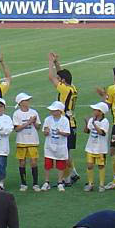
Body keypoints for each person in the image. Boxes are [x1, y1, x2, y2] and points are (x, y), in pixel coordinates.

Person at [47, 53, 81, 186]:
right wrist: (57, 63)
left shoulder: (65, 89)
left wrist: (50, 63)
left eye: (59, 78)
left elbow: (51, 77)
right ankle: (73, 173)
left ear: (63, 80)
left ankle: (67, 178)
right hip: (72, 121)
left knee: (63, 152)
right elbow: (62, 76)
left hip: (64, 122)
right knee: (67, 151)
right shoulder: (73, 88)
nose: (58, 80)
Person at [11, 92, 40, 191]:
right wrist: (29, 122)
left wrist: (34, 122)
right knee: (22, 162)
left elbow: (38, 127)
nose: (28, 102)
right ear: (21, 102)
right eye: (26, 100)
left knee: (33, 162)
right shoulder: (16, 114)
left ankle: (35, 184)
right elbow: (17, 128)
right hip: (21, 141)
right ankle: (23, 184)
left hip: (33, 141)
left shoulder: (34, 112)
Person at [40, 100, 71, 191]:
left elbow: (67, 133)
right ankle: (47, 182)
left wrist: (60, 132)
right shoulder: (48, 119)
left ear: (59, 111)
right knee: (47, 164)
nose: (52, 112)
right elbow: (45, 131)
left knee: (61, 164)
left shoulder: (65, 120)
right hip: (49, 145)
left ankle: (60, 182)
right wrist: (46, 132)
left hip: (60, 146)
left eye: (54, 110)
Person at [84, 102, 111, 192]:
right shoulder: (92, 119)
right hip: (90, 147)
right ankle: (90, 183)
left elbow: (102, 133)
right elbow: (86, 131)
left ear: (101, 112)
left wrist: (94, 124)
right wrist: (86, 123)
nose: (93, 111)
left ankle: (101, 185)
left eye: (95, 110)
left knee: (101, 166)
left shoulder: (105, 122)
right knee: (89, 165)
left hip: (101, 148)